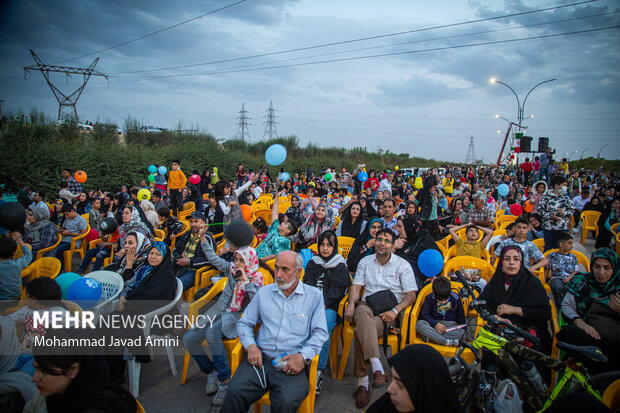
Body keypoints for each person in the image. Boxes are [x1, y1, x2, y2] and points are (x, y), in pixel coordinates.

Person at [221, 251, 329, 412]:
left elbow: (320, 333)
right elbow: (244, 323)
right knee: (234, 392)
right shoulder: (264, 293)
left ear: (299, 272)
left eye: (285, 269)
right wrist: (251, 346)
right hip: (261, 360)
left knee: (285, 402)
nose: (278, 274)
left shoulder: (313, 296)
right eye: (276, 268)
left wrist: (302, 356)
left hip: (292, 362)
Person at [344, 228, 418, 408]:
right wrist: (351, 304)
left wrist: (395, 310)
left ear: (393, 246)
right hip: (367, 307)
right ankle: (377, 367)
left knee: (361, 330)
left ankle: (363, 384)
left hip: (388, 315)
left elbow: (411, 295)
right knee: (361, 313)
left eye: (386, 241)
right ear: (375, 241)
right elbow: (356, 287)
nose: (382, 243)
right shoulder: (365, 262)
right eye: (379, 239)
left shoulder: (402, 265)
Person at [182, 246, 263, 407]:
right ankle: (211, 370)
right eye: (237, 259)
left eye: (242, 260)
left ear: (249, 261)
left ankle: (225, 380)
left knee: (212, 332)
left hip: (236, 316)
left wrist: (245, 282)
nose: (238, 264)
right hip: (220, 311)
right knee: (188, 338)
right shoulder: (232, 269)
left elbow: (257, 306)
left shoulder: (256, 277)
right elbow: (214, 259)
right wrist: (204, 240)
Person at [479, 246, 552, 370]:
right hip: (501, 330)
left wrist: (513, 310)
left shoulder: (532, 283)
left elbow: (545, 313)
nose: (511, 262)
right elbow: (482, 304)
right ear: (501, 262)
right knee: (490, 353)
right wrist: (497, 318)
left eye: (516, 259)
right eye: (507, 259)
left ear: (521, 262)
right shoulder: (496, 281)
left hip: (528, 332)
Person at [303, 231, 351, 394]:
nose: (324, 248)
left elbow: (337, 292)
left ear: (334, 246)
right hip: (311, 304)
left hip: (331, 307)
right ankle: (301, 361)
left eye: (328, 245)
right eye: (322, 244)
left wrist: (322, 304)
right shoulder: (312, 263)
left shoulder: (339, 265)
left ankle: (318, 370)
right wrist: (313, 304)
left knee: (322, 326)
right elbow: (307, 285)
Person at [24, 344, 137, 413]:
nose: (34, 378)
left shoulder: (102, 407)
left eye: (44, 371)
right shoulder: (47, 396)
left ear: (73, 370)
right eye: (35, 369)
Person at [558, 248, 620, 373]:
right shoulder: (583, 282)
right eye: (596, 267)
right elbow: (567, 306)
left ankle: (592, 362)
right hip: (591, 337)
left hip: (615, 343)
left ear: (614, 268)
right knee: (566, 333)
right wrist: (580, 322)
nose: (601, 272)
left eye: (606, 268)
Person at [366, 344, 466, 413]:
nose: (390, 390)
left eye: (400, 384)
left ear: (425, 389)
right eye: (393, 380)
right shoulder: (387, 407)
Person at [415, 276, 466, 347]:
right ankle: (445, 342)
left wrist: (462, 327)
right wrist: (435, 324)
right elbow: (425, 315)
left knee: (463, 333)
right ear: (434, 293)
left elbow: (461, 315)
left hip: (449, 326)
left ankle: (432, 337)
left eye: (445, 300)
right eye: (440, 300)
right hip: (433, 323)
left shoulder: (456, 298)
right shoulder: (429, 298)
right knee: (419, 325)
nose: (443, 302)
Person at [393, 216, 440, 289]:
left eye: (400, 227)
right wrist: (393, 246)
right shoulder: (399, 240)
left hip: (415, 282)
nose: (397, 230)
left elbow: (437, 260)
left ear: (409, 226)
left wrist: (434, 276)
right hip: (395, 277)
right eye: (397, 226)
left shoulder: (425, 239)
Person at [171, 211, 213, 291]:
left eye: (196, 221)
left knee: (175, 287)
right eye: (191, 221)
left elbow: (209, 260)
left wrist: (189, 261)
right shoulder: (187, 234)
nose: (193, 224)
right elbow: (175, 249)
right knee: (161, 279)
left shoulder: (207, 239)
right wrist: (180, 259)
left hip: (195, 271)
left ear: (203, 223)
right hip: (179, 266)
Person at [255, 192, 296, 261]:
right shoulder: (276, 229)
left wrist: (259, 261)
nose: (282, 223)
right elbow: (275, 214)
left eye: (285, 224)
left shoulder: (285, 242)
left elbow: (276, 256)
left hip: (262, 263)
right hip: (255, 256)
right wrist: (277, 197)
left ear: (287, 231)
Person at [539, 175, 574, 251]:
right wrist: (550, 216)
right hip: (548, 227)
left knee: (559, 248)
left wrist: (564, 213)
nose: (566, 187)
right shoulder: (546, 198)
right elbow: (540, 210)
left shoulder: (566, 198)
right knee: (547, 247)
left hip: (561, 227)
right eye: (564, 185)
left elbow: (571, 210)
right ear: (556, 186)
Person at [545, 233, 579, 307]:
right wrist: (543, 281)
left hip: (570, 277)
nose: (572, 246)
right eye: (569, 243)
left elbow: (576, 270)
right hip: (556, 277)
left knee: (571, 288)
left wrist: (569, 278)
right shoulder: (552, 255)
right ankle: (560, 308)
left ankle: (569, 307)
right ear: (562, 244)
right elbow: (547, 268)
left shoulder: (573, 257)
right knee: (556, 287)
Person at [0, 233, 32, 303]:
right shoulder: (18, 264)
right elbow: (28, 255)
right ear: (14, 253)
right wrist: (20, 241)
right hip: (15, 298)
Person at [54, 204, 87, 269]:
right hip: (64, 239)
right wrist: (60, 229)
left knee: (59, 250)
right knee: (52, 247)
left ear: (72, 211)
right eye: (65, 215)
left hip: (73, 242)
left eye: (67, 214)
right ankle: (55, 265)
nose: (66, 216)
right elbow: (63, 227)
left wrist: (69, 233)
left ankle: (61, 267)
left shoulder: (81, 220)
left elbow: (83, 234)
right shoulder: (68, 219)